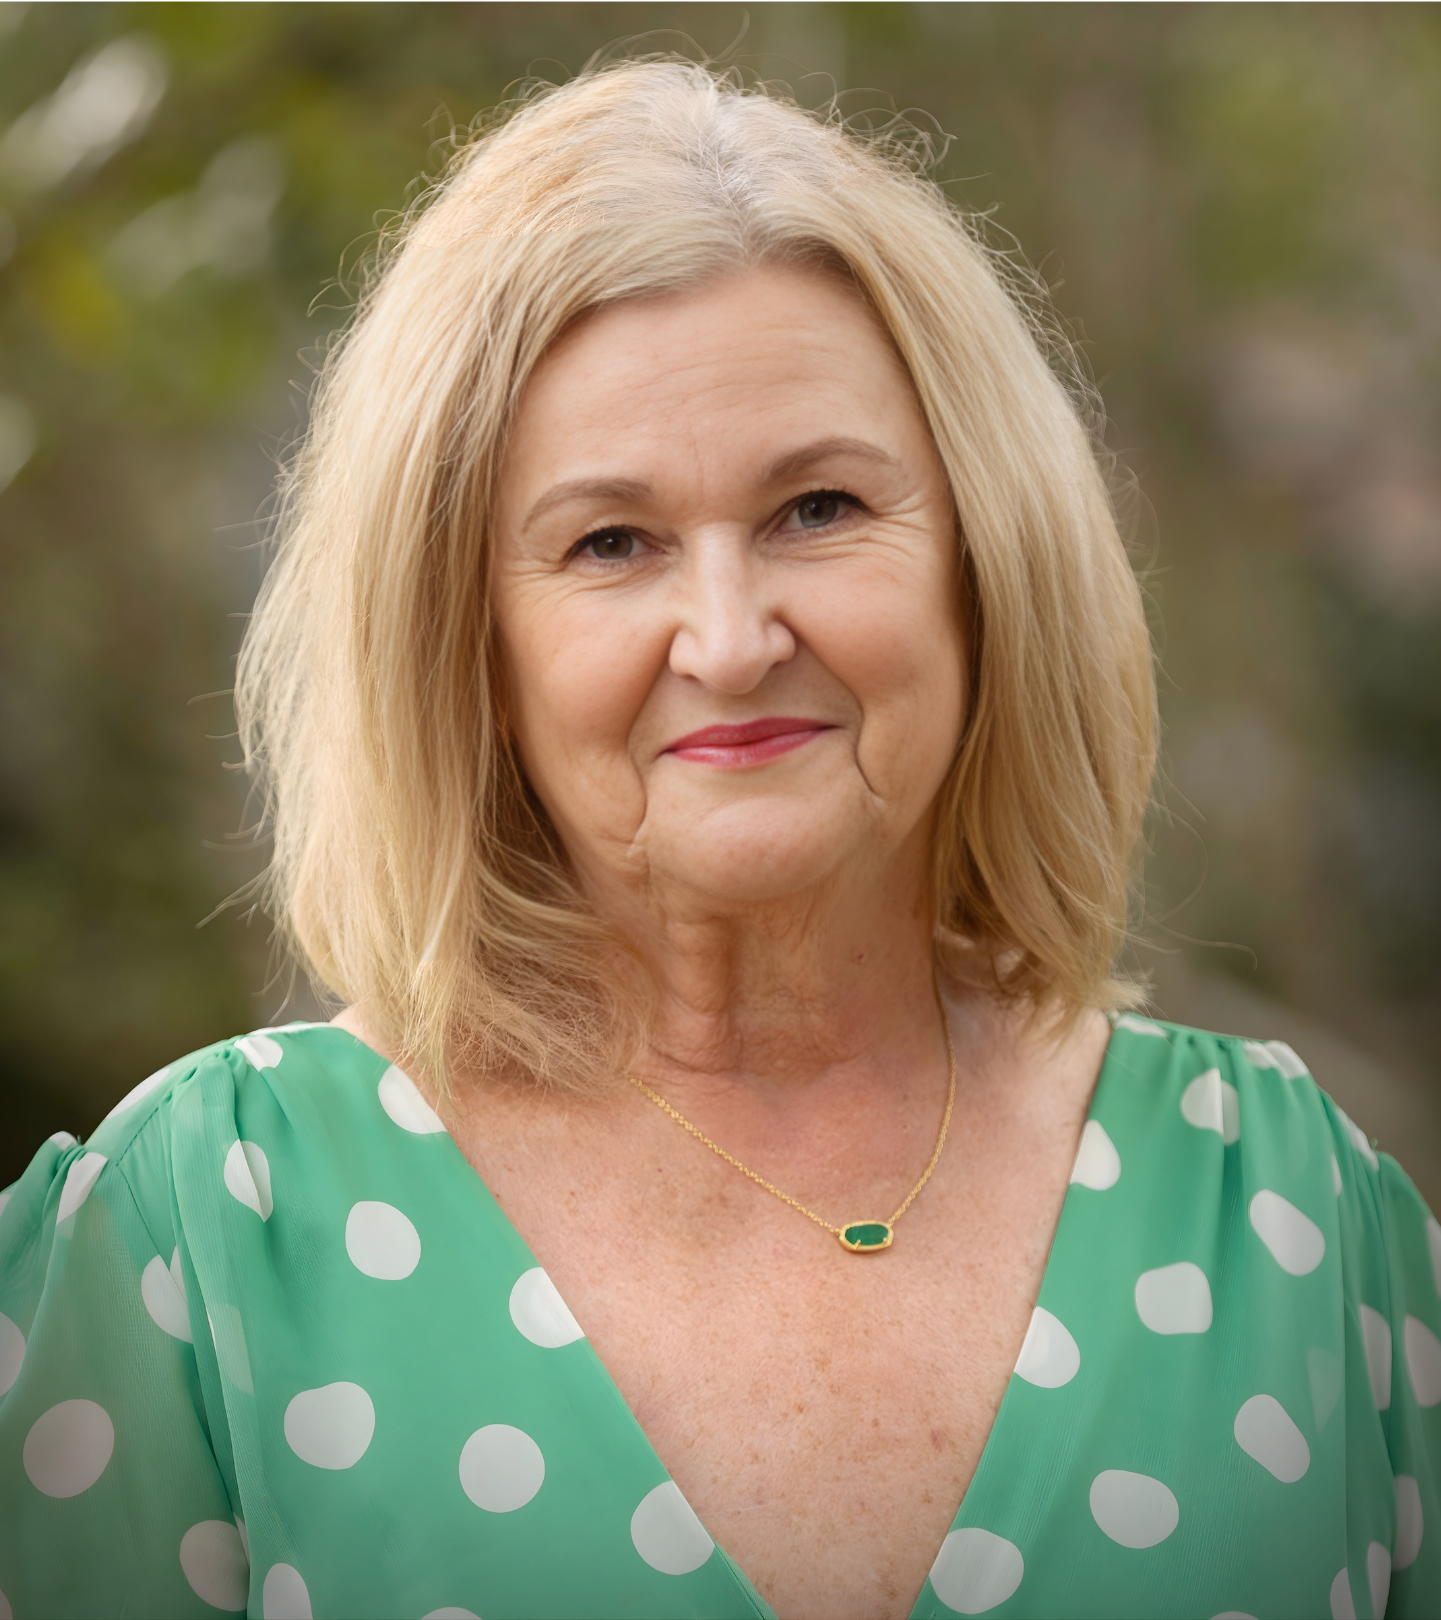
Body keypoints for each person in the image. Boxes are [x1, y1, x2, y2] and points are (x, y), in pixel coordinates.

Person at [0, 57, 1436, 1620]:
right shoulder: (200, 1236)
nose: (733, 639)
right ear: (468, 646)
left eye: (818, 509)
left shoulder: (1293, 1222)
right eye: (610, 541)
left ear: (984, 563)